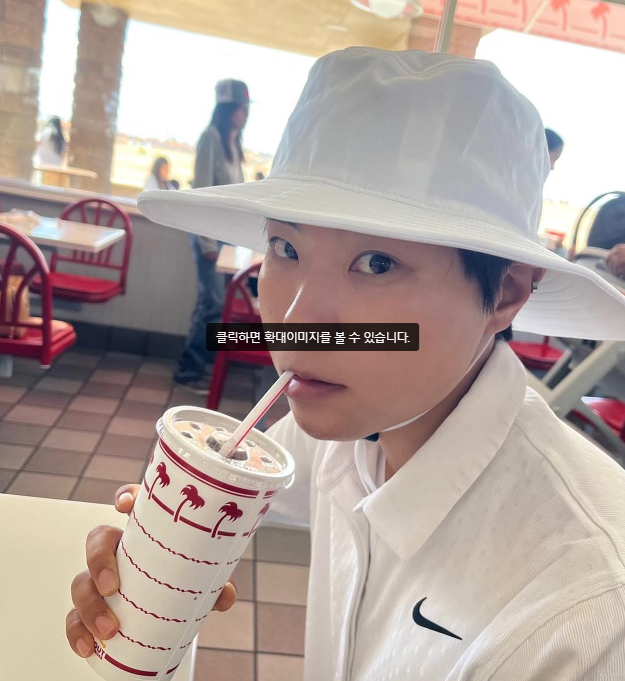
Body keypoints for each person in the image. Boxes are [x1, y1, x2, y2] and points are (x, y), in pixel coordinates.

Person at [68, 49, 625, 679]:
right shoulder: (353, 426)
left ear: (505, 293)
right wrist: (149, 544)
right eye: (285, 247)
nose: (297, 320)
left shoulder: (585, 617)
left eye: (378, 263)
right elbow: (236, 486)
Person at [168, 79, 250, 392]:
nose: (244, 113)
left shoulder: (233, 144)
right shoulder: (211, 138)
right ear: (227, 110)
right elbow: (201, 191)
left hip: (223, 236)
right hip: (208, 236)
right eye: (239, 108)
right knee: (211, 304)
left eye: (245, 108)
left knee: (213, 304)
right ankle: (188, 370)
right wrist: (206, 243)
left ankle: (201, 366)